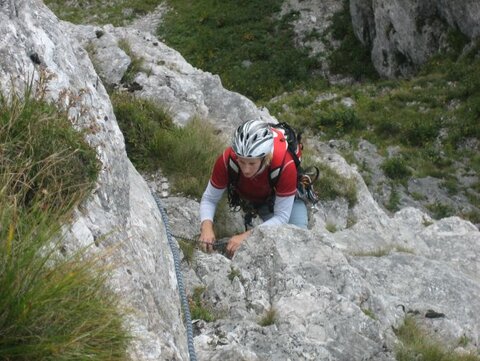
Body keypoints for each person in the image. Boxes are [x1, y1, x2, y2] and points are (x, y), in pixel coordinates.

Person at [199, 119, 308, 257]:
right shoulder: (228, 160)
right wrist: (207, 227)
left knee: (298, 241)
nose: (246, 169)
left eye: (252, 163)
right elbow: (209, 198)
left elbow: (282, 217)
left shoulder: (285, 165)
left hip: (281, 197)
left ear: (265, 158)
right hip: (252, 194)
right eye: (241, 161)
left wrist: (245, 236)